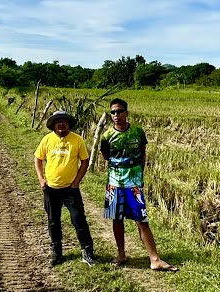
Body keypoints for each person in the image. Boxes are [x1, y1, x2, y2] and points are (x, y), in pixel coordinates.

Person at [100, 98, 177, 272]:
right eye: (113, 112)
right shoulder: (107, 136)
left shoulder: (137, 132)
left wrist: (139, 175)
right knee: (117, 219)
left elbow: (143, 154)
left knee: (142, 220)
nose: (116, 115)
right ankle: (121, 254)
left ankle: (154, 259)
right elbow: (106, 156)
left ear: (126, 112)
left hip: (134, 184)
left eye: (119, 111)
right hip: (114, 184)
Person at [34, 110, 96, 266]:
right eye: (57, 121)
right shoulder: (47, 140)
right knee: (53, 221)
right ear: (53, 125)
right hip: (51, 189)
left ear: (69, 123)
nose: (61, 124)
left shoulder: (77, 140)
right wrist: (41, 179)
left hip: (71, 190)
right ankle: (57, 252)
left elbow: (85, 162)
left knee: (78, 219)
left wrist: (76, 182)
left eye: (64, 121)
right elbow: (38, 158)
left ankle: (87, 251)